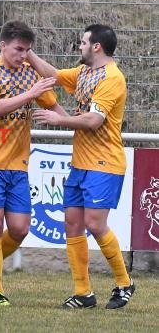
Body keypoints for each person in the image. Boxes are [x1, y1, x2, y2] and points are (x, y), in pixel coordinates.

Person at [29, 24, 135, 309]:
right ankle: (83, 293)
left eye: (83, 42)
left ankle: (125, 283)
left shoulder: (113, 78)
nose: (79, 46)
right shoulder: (86, 72)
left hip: (105, 163)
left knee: (94, 224)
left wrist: (58, 120)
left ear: (96, 46)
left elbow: (93, 121)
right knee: (73, 224)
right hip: (80, 163)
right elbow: (53, 75)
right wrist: (28, 54)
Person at [0, 20, 66, 306]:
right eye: (18, 49)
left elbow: (54, 106)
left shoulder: (31, 75)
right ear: (3, 45)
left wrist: (75, 121)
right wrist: (30, 95)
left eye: (27, 51)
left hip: (17, 165)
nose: (22, 56)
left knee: (21, 228)